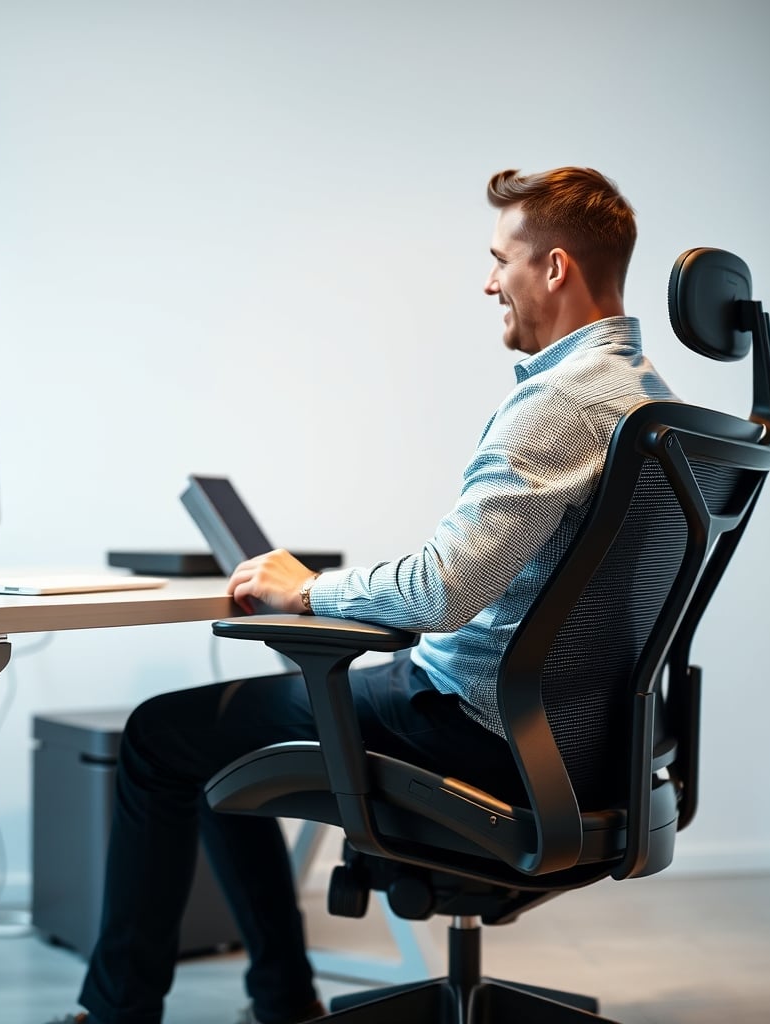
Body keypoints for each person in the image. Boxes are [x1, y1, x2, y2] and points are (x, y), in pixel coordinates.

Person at [51, 166, 676, 1024]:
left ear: (556, 268)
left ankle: (125, 1015)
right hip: (581, 743)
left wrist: (308, 591)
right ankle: (281, 996)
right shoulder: (652, 403)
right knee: (217, 740)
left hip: (473, 729)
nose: (489, 281)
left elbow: (440, 592)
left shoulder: (560, 404)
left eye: (501, 260)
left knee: (161, 736)